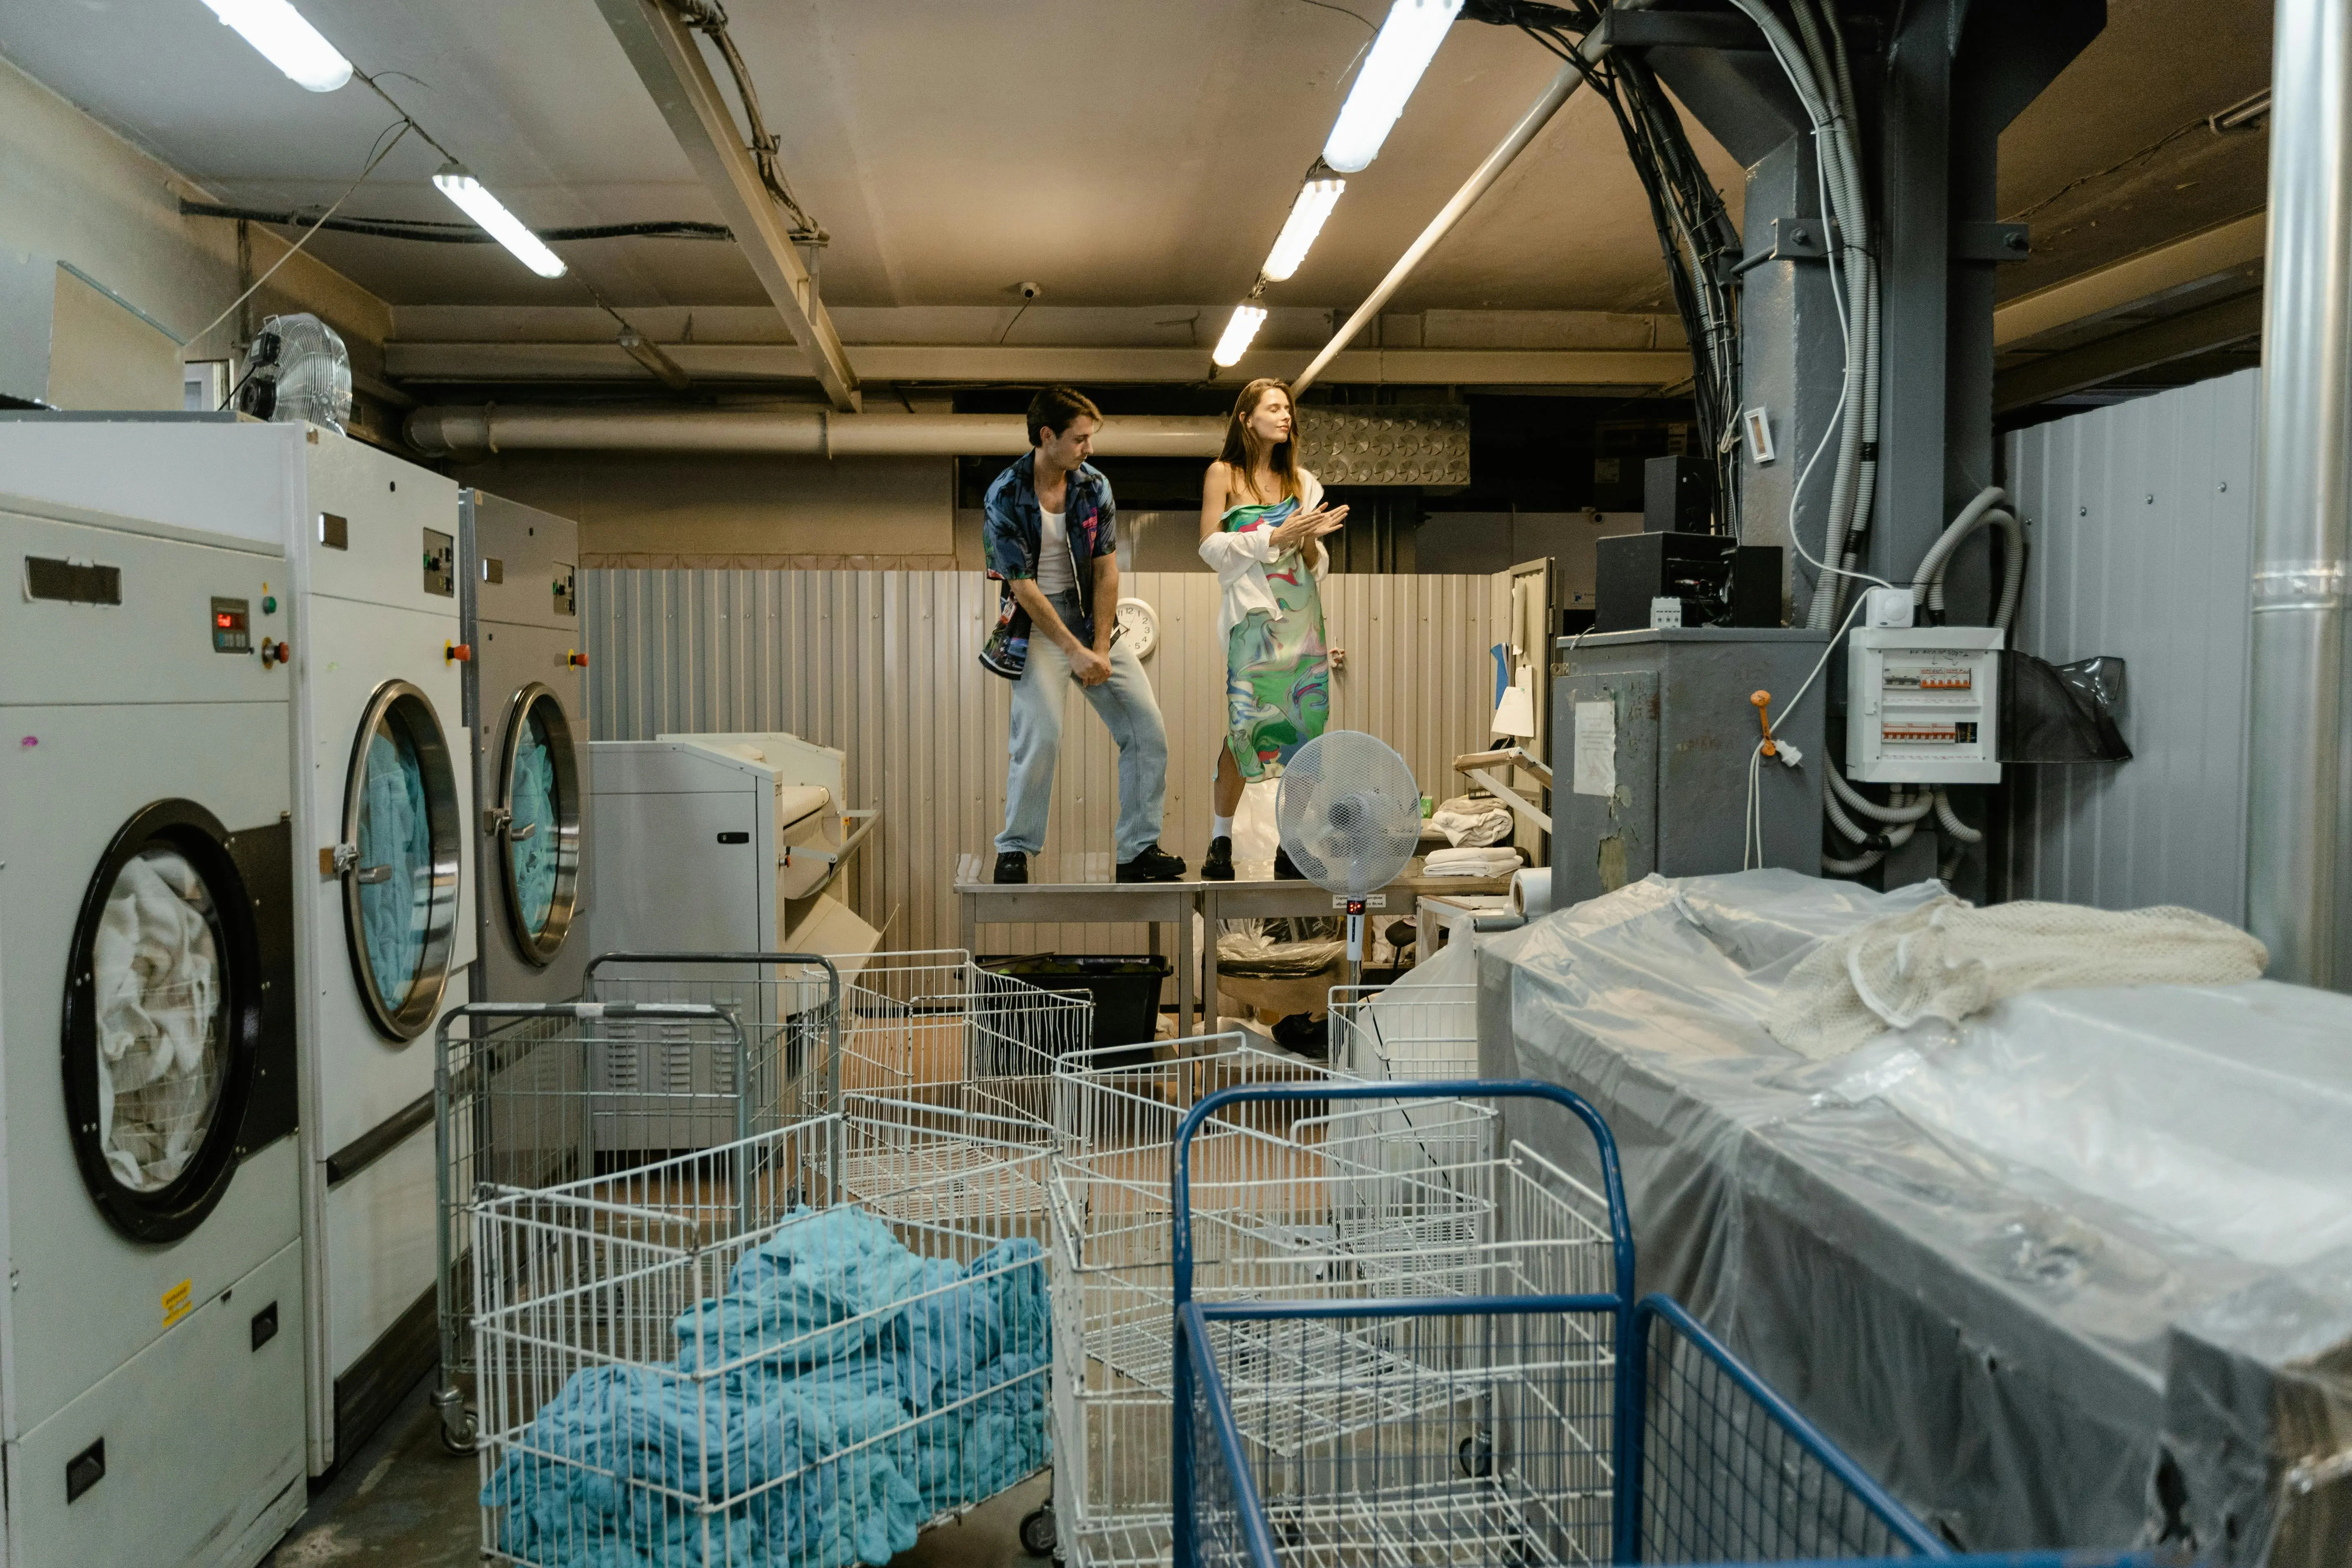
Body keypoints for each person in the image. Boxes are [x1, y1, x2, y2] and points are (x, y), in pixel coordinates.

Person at [980, 386, 1184, 885]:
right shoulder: (1004, 494)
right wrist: (1071, 650)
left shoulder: (1094, 486)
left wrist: (1098, 647)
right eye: (1080, 439)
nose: (1089, 448)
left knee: (1147, 729)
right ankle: (1015, 849)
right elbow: (1021, 586)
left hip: (1095, 622)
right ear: (1047, 436)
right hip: (1039, 626)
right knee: (1040, 735)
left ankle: (1138, 851)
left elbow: (1107, 570)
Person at [1195, 378, 1347, 880]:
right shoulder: (1224, 474)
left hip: (1302, 617)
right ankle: (1220, 841)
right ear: (1247, 418)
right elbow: (1211, 549)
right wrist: (1272, 537)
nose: (1286, 416)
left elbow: (1313, 563)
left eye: (1289, 409)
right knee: (1246, 727)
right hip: (1253, 624)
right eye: (1275, 408)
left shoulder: (1302, 481)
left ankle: (1291, 843)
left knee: (1307, 731)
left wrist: (1306, 540)